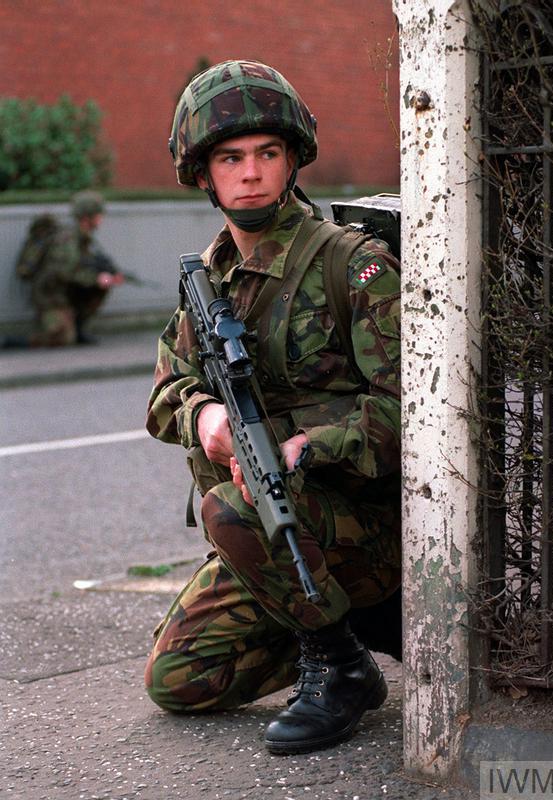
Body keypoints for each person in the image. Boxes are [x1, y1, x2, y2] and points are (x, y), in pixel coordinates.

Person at [144, 60, 401, 755]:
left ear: (292, 161)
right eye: (231, 158)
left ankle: (341, 663)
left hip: (362, 524)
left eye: (267, 154)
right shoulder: (209, 278)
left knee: (229, 508)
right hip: (278, 537)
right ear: (203, 174)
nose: (251, 173)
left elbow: (415, 414)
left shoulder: (353, 267)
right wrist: (204, 415)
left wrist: (306, 446)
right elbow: (165, 391)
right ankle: (354, 624)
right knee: (178, 681)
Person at [7, 191, 123, 347]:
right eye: (98, 214)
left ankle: (77, 328)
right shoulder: (67, 239)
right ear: (87, 216)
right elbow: (63, 272)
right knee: (62, 339)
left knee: (99, 287)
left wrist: (106, 276)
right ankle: (15, 342)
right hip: (50, 295)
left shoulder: (83, 237)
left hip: (66, 292)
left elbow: (82, 266)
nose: (101, 218)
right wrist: (95, 278)